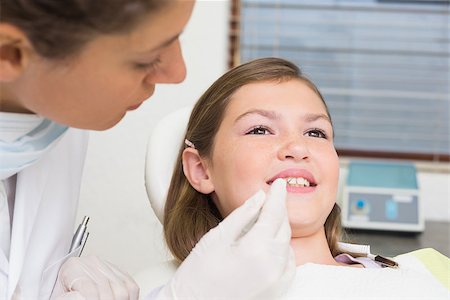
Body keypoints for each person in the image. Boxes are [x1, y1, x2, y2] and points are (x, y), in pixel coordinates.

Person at [0, 1, 295, 299]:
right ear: (9, 53)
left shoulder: (57, 114)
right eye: (146, 59)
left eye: (317, 132)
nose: (178, 73)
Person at [163, 57, 449, 299]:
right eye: (260, 129)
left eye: (316, 133)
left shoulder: (428, 267)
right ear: (201, 169)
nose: (299, 148)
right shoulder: (194, 293)